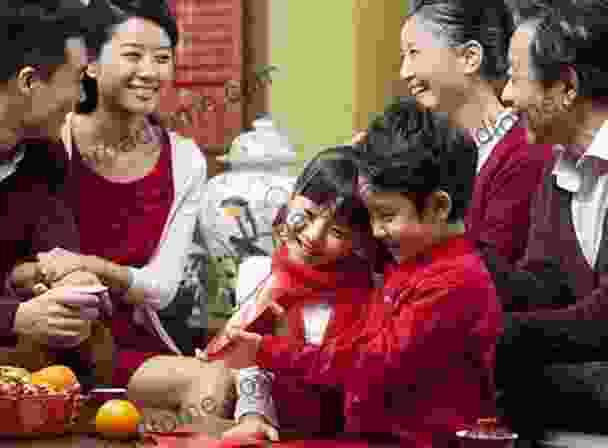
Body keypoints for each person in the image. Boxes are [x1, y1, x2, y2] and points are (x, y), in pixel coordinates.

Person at [212, 97, 504, 447]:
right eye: (371, 218)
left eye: (386, 216)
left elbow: (369, 362)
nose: (377, 231)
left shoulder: (453, 282)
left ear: (439, 206)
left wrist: (269, 351)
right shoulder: (411, 255)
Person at [128, 146, 376, 441]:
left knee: (209, 387)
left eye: (337, 232)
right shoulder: (261, 273)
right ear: (292, 197)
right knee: (194, 380)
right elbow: (249, 366)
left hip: (308, 424)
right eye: (307, 215)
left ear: (359, 241)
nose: (313, 236)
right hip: (249, 402)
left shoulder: (363, 296)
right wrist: (252, 412)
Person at [26, 0, 208, 387]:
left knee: (212, 383)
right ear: (89, 63)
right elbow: (22, 260)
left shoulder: (185, 159)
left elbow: (161, 289)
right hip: (45, 332)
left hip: (134, 347)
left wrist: (90, 266)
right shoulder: (52, 139)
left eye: (162, 58)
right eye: (132, 55)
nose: (149, 72)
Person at [0, 0, 109, 384]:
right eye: (78, 78)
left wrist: (69, 282)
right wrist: (14, 316)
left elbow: (53, 252)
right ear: (29, 82)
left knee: (90, 347)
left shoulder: (46, 156)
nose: (82, 98)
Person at [488, 1, 608, 442]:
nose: (506, 96)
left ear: (567, 86)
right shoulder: (560, 169)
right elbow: (542, 285)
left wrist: (491, 337)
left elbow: (601, 318)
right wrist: (447, 247)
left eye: (516, 78)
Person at [399, 0, 552, 275]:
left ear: (469, 57)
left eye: (414, 53)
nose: (404, 72)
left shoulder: (524, 154)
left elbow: (491, 272)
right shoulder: (433, 154)